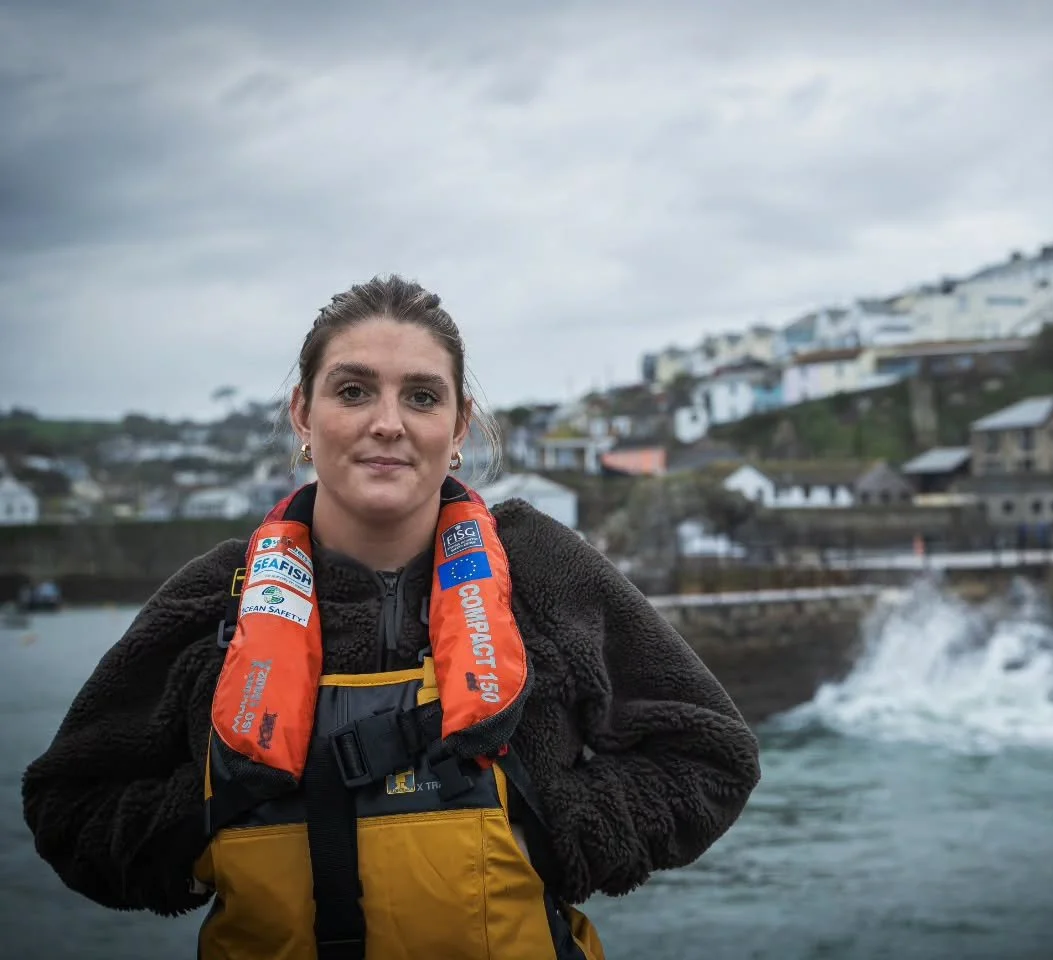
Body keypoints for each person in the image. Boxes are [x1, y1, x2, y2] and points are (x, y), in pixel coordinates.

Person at [22, 275, 763, 960]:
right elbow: (70, 805)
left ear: (459, 423)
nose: (387, 423)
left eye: (420, 395)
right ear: (302, 414)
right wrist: (216, 823)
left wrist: (553, 825)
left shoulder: (544, 572)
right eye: (352, 391)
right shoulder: (219, 595)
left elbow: (712, 755)